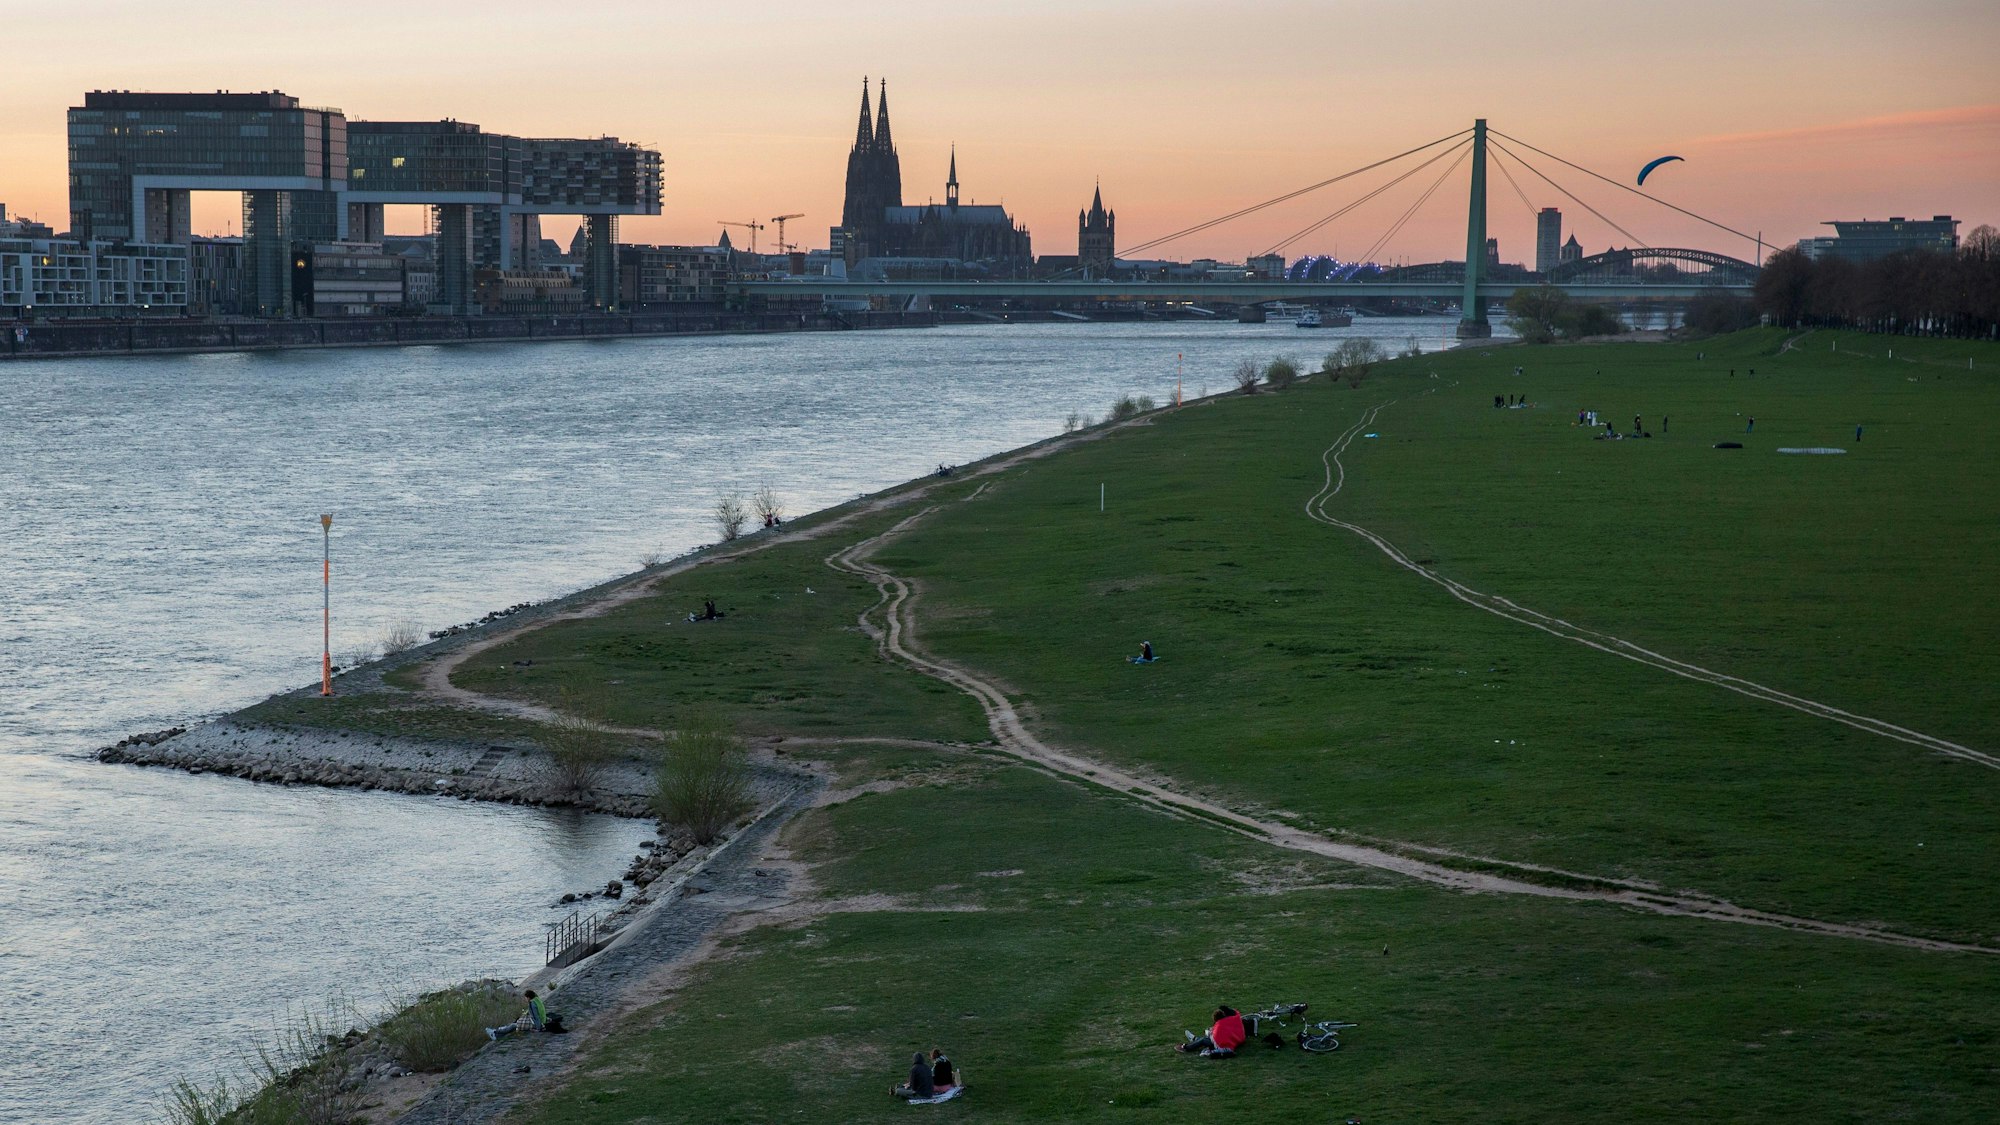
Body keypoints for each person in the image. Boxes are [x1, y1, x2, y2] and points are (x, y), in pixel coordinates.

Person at [1176, 1006, 1247, 1057]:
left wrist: (1210, 1032)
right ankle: (1195, 1039)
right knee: (1206, 1038)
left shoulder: (1220, 1026)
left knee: (1204, 1040)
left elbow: (1215, 1039)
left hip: (1222, 1047)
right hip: (1237, 1041)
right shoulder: (1235, 1019)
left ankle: (1186, 1047)